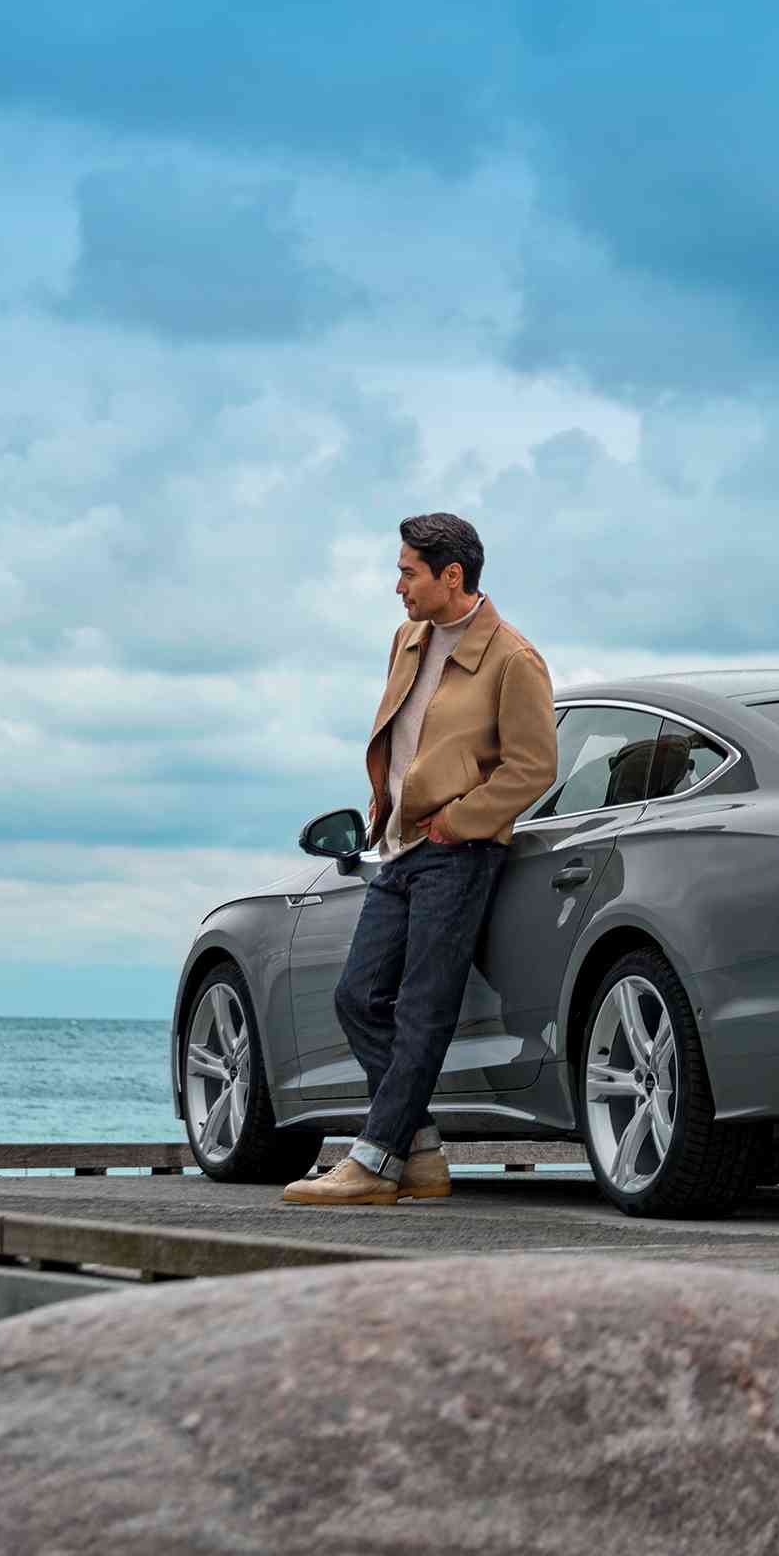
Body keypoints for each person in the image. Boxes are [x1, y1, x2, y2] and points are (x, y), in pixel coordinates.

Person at [283, 512, 557, 1206]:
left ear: (451, 575)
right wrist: (383, 806)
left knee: (424, 1010)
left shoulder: (513, 660)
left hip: (459, 854)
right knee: (357, 998)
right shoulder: (408, 640)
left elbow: (533, 767)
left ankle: (375, 1163)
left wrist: (458, 822)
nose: (398, 585)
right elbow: (405, 741)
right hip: (399, 848)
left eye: (408, 572)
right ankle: (422, 1154)